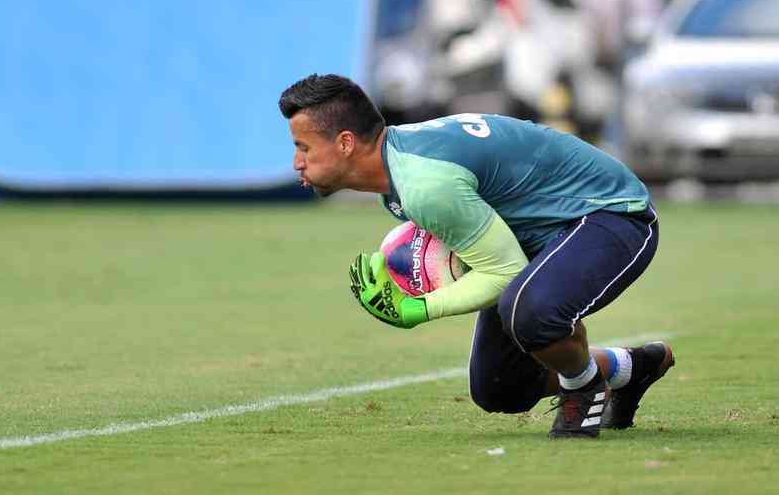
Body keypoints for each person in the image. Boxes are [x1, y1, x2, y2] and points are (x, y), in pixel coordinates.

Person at [279, 73, 672, 439]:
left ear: (345, 142)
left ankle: (583, 391)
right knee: (499, 387)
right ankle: (629, 369)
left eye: (303, 147)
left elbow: (504, 272)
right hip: (548, 232)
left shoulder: (423, 185)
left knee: (530, 311)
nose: (297, 161)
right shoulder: (400, 163)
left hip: (611, 214)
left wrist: (418, 308)